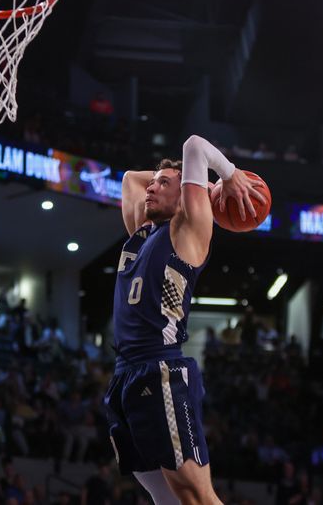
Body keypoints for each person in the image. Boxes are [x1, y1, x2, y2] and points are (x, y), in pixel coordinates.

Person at [104, 134, 266, 505]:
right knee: (165, 499)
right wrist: (173, 177)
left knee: (197, 497)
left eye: (164, 183)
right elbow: (131, 178)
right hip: (125, 374)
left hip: (160, 369)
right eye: (156, 181)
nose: (152, 186)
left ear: (187, 198)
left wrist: (226, 176)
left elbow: (195, 146)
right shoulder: (142, 233)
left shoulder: (187, 231)